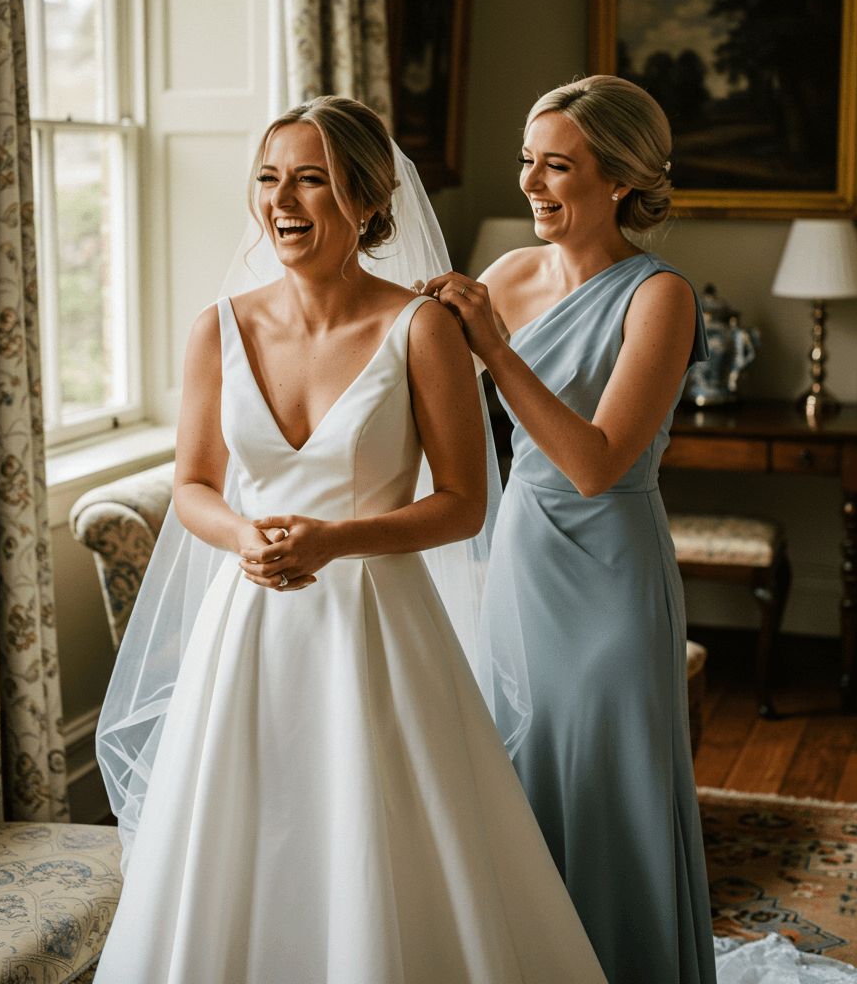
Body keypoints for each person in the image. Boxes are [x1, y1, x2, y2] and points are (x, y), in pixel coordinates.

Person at [94, 96, 606, 984]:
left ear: (367, 202)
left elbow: (460, 504)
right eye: (268, 179)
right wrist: (245, 536)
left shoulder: (421, 328)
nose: (282, 202)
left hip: (378, 632)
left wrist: (336, 541)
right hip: (246, 631)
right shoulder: (217, 329)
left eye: (311, 181)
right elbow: (193, 486)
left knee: (384, 854)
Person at [424, 75, 718, 984]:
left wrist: (497, 350)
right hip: (521, 561)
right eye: (526, 161)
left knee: (608, 794)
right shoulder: (508, 275)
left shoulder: (658, 296)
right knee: (522, 781)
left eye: (557, 166)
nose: (530, 184)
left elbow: (597, 463)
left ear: (621, 179)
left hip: (610, 582)